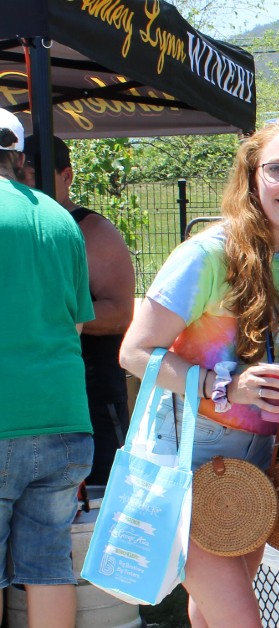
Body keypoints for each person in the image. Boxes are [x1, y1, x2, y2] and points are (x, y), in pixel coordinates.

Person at [119, 117, 279, 627]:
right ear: (252, 176)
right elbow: (135, 352)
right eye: (278, 169)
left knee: (212, 613)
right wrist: (227, 385)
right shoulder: (207, 256)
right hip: (187, 460)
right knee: (241, 619)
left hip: (255, 459)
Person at [0, 108, 94, 628]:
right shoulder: (59, 218)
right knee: (50, 565)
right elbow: (76, 325)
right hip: (64, 421)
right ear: (17, 156)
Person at [23, 135, 136, 487]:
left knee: (100, 499)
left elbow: (120, 313)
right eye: (19, 178)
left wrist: (47, 319)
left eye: (33, 178)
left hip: (91, 395)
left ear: (67, 176)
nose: (26, 187)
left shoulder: (93, 230)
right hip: (31, 400)